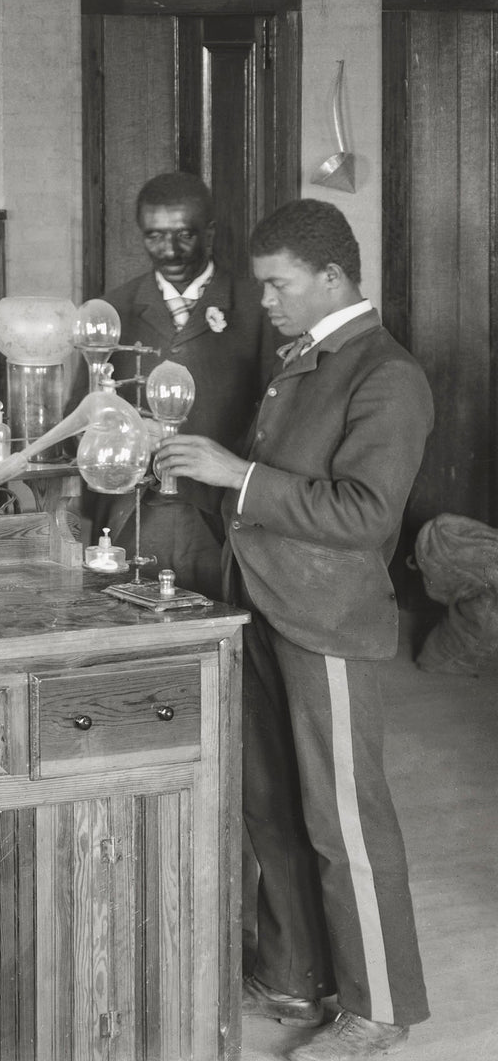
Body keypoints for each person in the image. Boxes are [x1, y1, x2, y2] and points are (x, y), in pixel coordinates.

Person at [157, 199, 431, 1061]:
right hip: (266, 603)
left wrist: (235, 474)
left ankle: (379, 1008)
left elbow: (361, 512)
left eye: (278, 285)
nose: (266, 301)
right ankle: (294, 976)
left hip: (326, 619)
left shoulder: (386, 376)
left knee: (347, 821)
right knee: (272, 806)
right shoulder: (304, 359)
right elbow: (267, 487)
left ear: (332, 277)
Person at [89, 171, 276, 600]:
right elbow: (85, 414)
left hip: (222, 515)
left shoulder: (257, 306)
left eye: (184, 235)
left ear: (209, 233)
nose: (169, 250)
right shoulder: (113, 308)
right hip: (133, 513)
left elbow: (277, 414)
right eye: (154, 236)